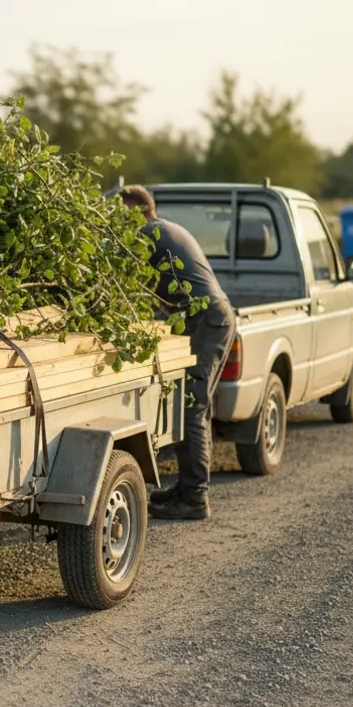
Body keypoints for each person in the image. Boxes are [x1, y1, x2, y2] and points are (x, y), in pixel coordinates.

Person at [117, 185, 237, 520]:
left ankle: (196, 499)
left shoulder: (147, 235)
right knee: (191, 404)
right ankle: (185, 488)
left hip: (206, 319)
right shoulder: (166, 228)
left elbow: (124, 281)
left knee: (191, 407)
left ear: (135, 212)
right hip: (208, 316)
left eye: (119, 215)